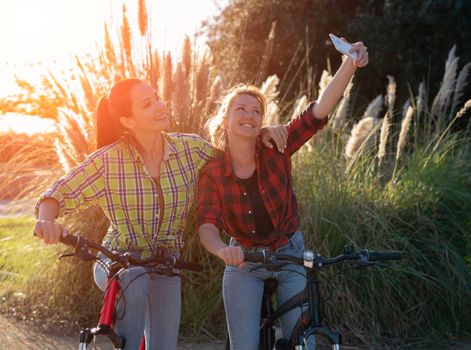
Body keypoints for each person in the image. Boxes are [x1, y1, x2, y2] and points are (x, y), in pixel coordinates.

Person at [32, 78, 287, 350]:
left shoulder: (189, 150)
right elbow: (58, 193)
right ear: (128, 121)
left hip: (166, 265)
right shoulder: (108, 161)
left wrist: (258, 133)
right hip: (118, 260)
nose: (160, 105)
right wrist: (47, 220)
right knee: (134, 279)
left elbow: (236, 156)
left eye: (157, 97)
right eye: (148, 103)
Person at [197, 39, 368, 349]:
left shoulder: (276, 146)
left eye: (256, 111)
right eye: (241, 109)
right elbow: (207, 224)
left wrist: (349, 65)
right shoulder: (212, 171)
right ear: (225, 120)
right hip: (243, 262)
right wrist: (223, 251)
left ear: (263, 120)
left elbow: (318, 112)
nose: (249, 115)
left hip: (290, 254)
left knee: (303, 343)